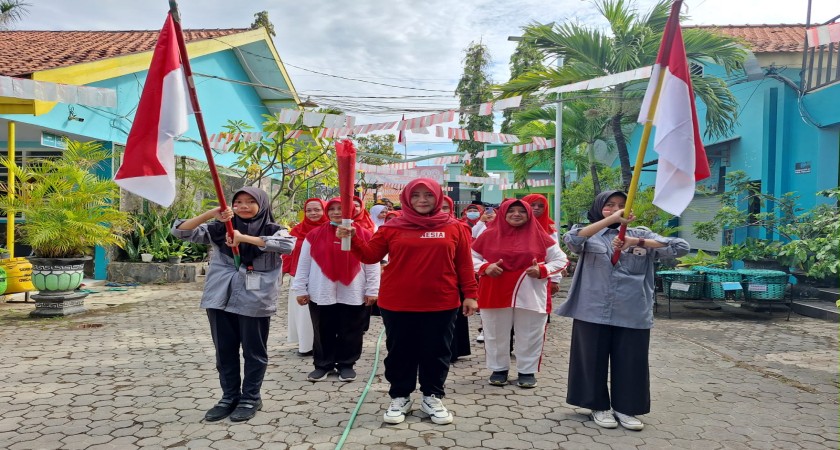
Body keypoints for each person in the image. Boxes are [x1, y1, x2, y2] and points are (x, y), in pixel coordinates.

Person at [337, 178, 478, 426]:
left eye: (428, 195)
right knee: (400, 352)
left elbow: (464, 265)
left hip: (441, 302)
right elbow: (370, 255)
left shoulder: (455, 227)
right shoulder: (393, 227)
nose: (422, 200)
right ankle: (400, 396)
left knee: (437, 352)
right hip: (398, 303)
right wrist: (353, 238)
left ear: (438, 197)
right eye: (416, 195)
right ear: (407, 199)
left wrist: (471, 295)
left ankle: (432, 396)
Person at [556, 190, 689, 431]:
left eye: (622, 205)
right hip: (592, 308)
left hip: (632, 308)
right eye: (609, 205)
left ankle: (626, 408)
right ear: (599, 208)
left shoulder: (642, 233)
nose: (616, 209)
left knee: (631, 360)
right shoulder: (590, 233)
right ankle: (598, 406)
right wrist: (612, 219)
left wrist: (636, 242)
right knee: (591, 359)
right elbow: (572, 240)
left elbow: (680, 247)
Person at [172, 187, 294, 423]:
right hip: (220, 298)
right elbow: (179, 231)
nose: (244, 206)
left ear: (263, 204)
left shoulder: (274, 230)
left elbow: (287, 246)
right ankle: (229, 397)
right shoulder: (218, 230)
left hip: (254, 302)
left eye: (250, 201)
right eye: (238, 202)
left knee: (254, 352)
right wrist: (211, 214)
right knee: (225, 351)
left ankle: (250, 397)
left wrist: (243, 238)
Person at [472, 199, 568, 388]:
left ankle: (527, 371)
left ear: (529, 215)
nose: (516, 214)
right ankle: (499, 369)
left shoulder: (541, 236)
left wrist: (543, 270)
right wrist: (485, 267)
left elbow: (561, 259)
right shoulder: (488, 234)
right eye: (511, 211)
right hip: (495, 291)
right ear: (503, 214)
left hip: (531, 292)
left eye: (521, 211)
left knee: (531, 332)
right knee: (494, 332)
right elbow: (470, 256)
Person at [292, 198, 380, 382]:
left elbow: (372, 263)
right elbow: (304, 264)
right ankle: (323, 365)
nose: (336, 212)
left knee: (352, 329)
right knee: (323, 328)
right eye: (331, 209)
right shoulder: (314, 235)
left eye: (341, 208)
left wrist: (373, 289)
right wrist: (300, 288)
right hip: (321, 290)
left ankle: (346, 364)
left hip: (354, 290)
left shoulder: (364, 234)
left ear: (352, 211)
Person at [283, 198, 328, 357]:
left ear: (324, 210)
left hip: (324, 277)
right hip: (300, 276)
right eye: (309, 210)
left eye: (317, 209)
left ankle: (325, 346)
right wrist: (283, 272)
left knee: (324, 313)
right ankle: (306, 345)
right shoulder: (297, 230)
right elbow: (288, 253)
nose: (313, 213)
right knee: (303, 313)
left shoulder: (330, 229)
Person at [443, 195, 471, 363]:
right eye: (438, 207)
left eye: (445, 208)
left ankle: (455, 350)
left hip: (455, 279)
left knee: (455, 320)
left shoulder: (460, 227)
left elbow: (464, 258)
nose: (442, 211)